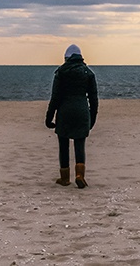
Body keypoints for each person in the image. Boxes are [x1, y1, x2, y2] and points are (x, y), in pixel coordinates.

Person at [45, 43, 98, 188]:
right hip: (82, 111)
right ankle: (80, 175)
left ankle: (65, 178)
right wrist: (92, 119)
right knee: (79, 143)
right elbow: (94, 100)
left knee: (63, 144)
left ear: (66, 58)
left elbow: (55, 98)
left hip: (64, 111)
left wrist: (49, 118)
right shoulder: (89, 73)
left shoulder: (61, 72)